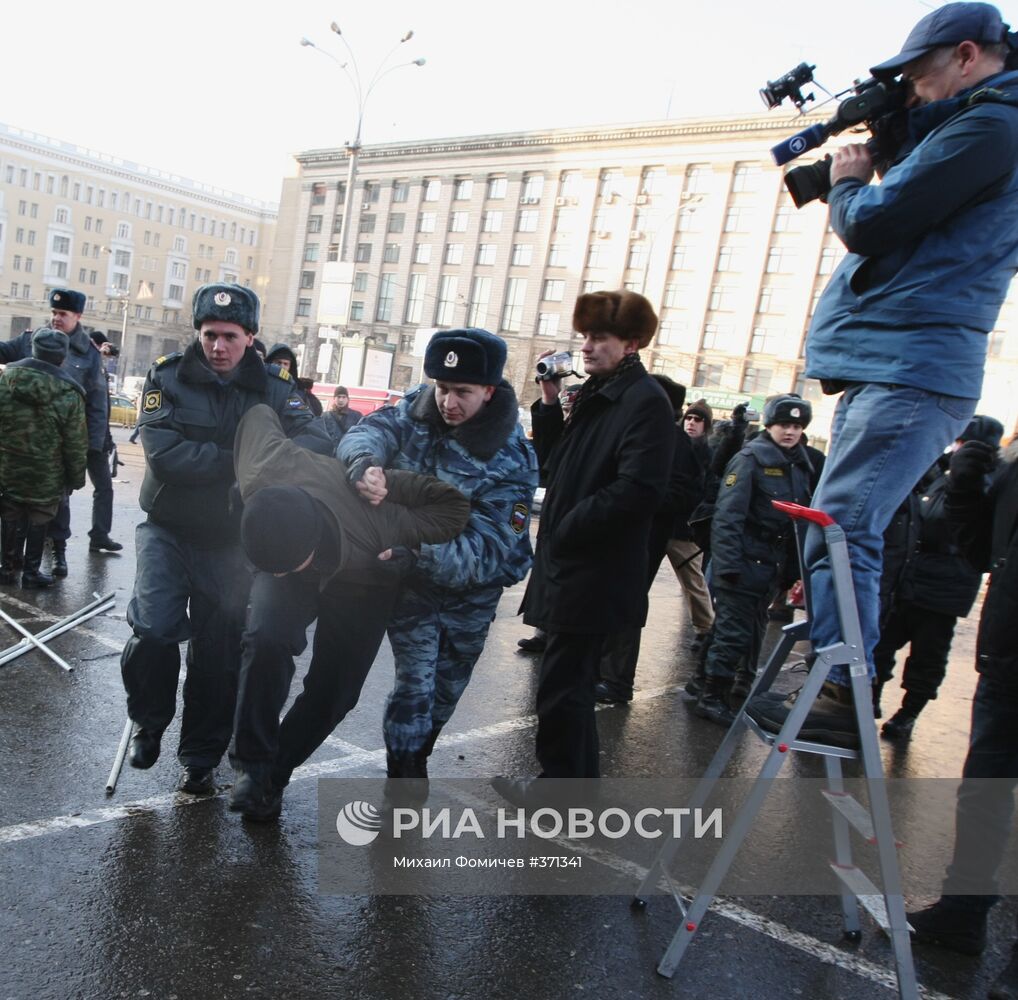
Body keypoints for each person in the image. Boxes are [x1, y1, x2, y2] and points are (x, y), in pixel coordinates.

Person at [748, 3, 1018, 748]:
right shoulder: (976, 125)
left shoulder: (993, 127)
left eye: (922, 76)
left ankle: (841, 688)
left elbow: (871, 222)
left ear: (967, 56)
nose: (916, 91)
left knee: (844, 525)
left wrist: (845, 181)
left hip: (913, 361)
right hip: (896, 359)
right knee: (839, 523)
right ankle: (838, 676)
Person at [120, 283, 328, 794]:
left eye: (229, 336)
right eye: (210, 334)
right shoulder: (167, 375)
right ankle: (149, 721)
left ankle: (200, 756)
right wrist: (248, 467)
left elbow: (316, 441)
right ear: (198, 333)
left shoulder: (276, 388)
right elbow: (165, 452)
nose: (218, 346)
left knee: (219, 651)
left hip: (233, 542)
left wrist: (263, 471)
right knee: (154, 629)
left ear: (250, 337)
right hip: (168, 528)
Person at [227, 403, 471, 820]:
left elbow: (453, 507)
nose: (276, 575)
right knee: (265, 636)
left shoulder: (379, 522)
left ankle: (275, 772)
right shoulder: (262, 468)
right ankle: (252, 764)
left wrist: (386, 486)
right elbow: (257, 414)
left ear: (308, 553)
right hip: (287, 522)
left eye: (283, 568)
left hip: (365, 578)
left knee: (336, 689)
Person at [492, 290, 675, 800]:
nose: (587, 347)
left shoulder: (644, 402)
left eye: (599, 338)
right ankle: (577, 789)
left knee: (562, 688)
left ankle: (559, 790)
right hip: (574, 564)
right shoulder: (601, 392)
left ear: (631, 343)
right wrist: (550, 405)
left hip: (594, 568)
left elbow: (639, 490)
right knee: (567, 685)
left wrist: (569, 526)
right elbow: (558, 465)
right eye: (586, 337)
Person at [339, 328, 537, 786]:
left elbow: (488, 549)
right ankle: (405, 775)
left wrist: (419, 555)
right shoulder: (415, 410)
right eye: (442, 388)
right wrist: (363, 463)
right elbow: (368, 430)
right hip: (413, 583)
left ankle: (419, 752)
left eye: (463, 392)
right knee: (416, 684)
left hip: (472, 589)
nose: (448, 401)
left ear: (490, 391)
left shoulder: (512, 457)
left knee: (448, 688)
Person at [905, 437, 1018, 1000]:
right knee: (983, 793)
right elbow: (981, 553)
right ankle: (962, 912)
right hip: (1007, 658)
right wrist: (968, 493)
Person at [874, 415, 1003, 739]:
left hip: (944, 589)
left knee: (927, 657)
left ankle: (908, 713)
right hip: (910, 578)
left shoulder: (985, 481)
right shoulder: (941, 473)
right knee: (880, 644)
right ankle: (867, 699)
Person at [695, 395, 814, 727]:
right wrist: (729, 565)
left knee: (730, 629)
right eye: (783, 425)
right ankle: (712, 696)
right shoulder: (750, 459)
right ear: (769, 426)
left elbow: (798, 521)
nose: (789, 432)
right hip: (744, 560)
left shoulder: (800, 463)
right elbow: (728, 516)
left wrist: (791, 571)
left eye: (796, 426)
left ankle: (700, 683)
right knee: (734, 633)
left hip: (770, 564)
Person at [595, 373, 700, 704]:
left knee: (628, 601)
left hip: (648, 534)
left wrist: (639, 497)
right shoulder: (641, 431)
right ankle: (600, 671)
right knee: (609, 598)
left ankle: (617, 680)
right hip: (621, 530)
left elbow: (684, 493)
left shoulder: (676, 442)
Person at [0, 289, 108, 577]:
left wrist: (92, 446)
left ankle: (57, 554)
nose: (56, 318)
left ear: (77, 316)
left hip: (61, 443)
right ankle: (22, 565)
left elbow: (98, 403)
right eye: (54, 313)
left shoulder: (89, 354)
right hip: (30, 447)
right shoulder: (31, 338)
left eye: (62, 314)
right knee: (26, 507)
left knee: (57, 507)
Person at [0, 330, 87, 588]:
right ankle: (30, 573)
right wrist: (76, 478)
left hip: (8, 467)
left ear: (33, 351)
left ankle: (5, 568)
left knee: (10, 512)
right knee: (40, 516)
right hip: (47, 474)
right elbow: (75, 443)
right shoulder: (70, 394)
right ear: (62, 358)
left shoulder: (6, 381)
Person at [83, 331, 122, 557]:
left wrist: (107, 440)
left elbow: (102, 410)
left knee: (104, 488)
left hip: (98, 440)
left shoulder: (101, 370)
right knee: (63, 489)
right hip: (77, 438)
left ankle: (99, 536)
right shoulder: (83, 363)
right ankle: (52, 537)